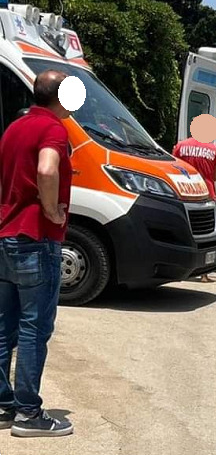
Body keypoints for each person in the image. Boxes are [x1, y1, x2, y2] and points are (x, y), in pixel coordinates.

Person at [0, 70, 74, 437]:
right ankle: (29, 413)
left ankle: (3, 405)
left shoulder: (15, 127)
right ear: (62, 97)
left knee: (4, 327)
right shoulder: (53, 130)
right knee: (34, 328)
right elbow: (47, 169)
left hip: (6, 235)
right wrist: (51, 209)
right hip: (36, 238)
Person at [172, 132, 216, 283]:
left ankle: (178, 269)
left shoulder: (180, 146)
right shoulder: (214, 150)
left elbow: (173, 166)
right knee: (206, 235)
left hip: (183, 191)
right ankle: (204, 274)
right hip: (206, 193)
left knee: (181, 232)